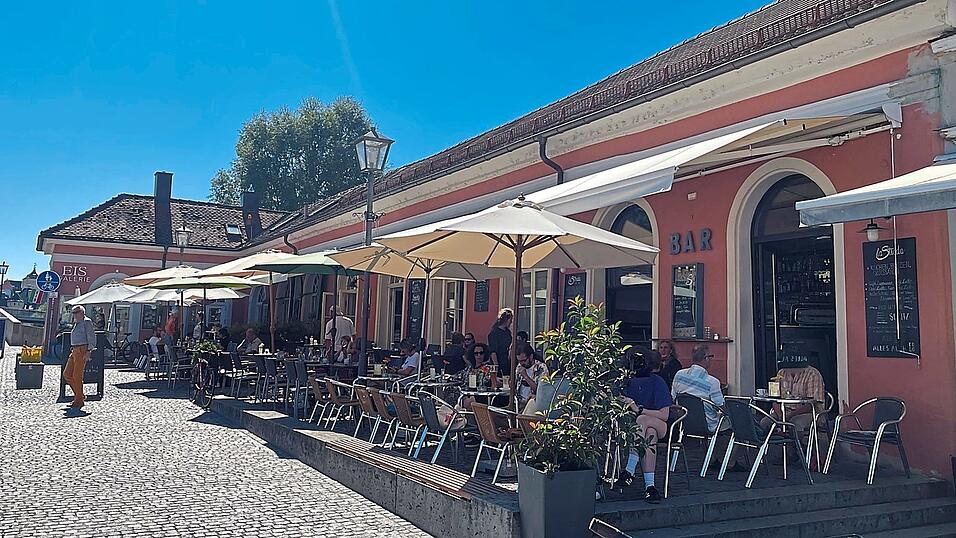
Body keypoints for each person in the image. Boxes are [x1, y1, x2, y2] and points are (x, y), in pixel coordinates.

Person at [671, 344, 747, 472]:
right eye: (711, 356)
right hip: (708, 423)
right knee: (740, 422)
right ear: (706, 358)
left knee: (706, 416)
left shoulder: (679, 375)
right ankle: (730, 462)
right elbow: (721, 406)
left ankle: (711, 458)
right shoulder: (712, 382)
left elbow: (672, 398)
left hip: (684, 421)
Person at [615, 349, 672, 503]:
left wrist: (639, 409)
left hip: (661, 425)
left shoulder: (657, 382)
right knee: (649, 435)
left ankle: (630, 468)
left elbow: (664, 415)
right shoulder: (627, 382)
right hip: (641, 431)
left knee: (643, 421)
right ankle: (650, 486)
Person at [762, 347, 825, 436]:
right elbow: (775, 398)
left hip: (810, 413)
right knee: (765, 422)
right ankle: (769, 447)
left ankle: (798, 448)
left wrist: (789, 417)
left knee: (795, 423)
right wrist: (780, 416)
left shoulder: (812, 374)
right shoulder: (781, 373)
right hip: (785, 411)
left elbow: (811, 404)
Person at [64, 305, 97, 415]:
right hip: (74, 350)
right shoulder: (77, 323)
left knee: (77, 376)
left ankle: (78, 400)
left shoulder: (87, 322)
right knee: (67, 374)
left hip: (82, 350)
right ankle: (80, 395)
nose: (74, 314)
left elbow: (91, 336)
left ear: (82, 313)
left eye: (76, 312)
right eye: (73, 312)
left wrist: (89, 351)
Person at [515, 343, 548, 412]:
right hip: (519, 403)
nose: (522, 363)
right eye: (519, 361)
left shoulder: (541, 367)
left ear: (531, 356)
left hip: (534, 404)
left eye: (524, 360)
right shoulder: (519, 366)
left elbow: (540, 391)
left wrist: (526, 376)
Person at [487, 308, 513, 376]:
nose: (511, 322)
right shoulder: (495, 333)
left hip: (507, 363)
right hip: (500, 362)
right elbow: (493, 351)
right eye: (511, 320)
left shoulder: (507, 332)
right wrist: (496, 366)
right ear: (508, 320)